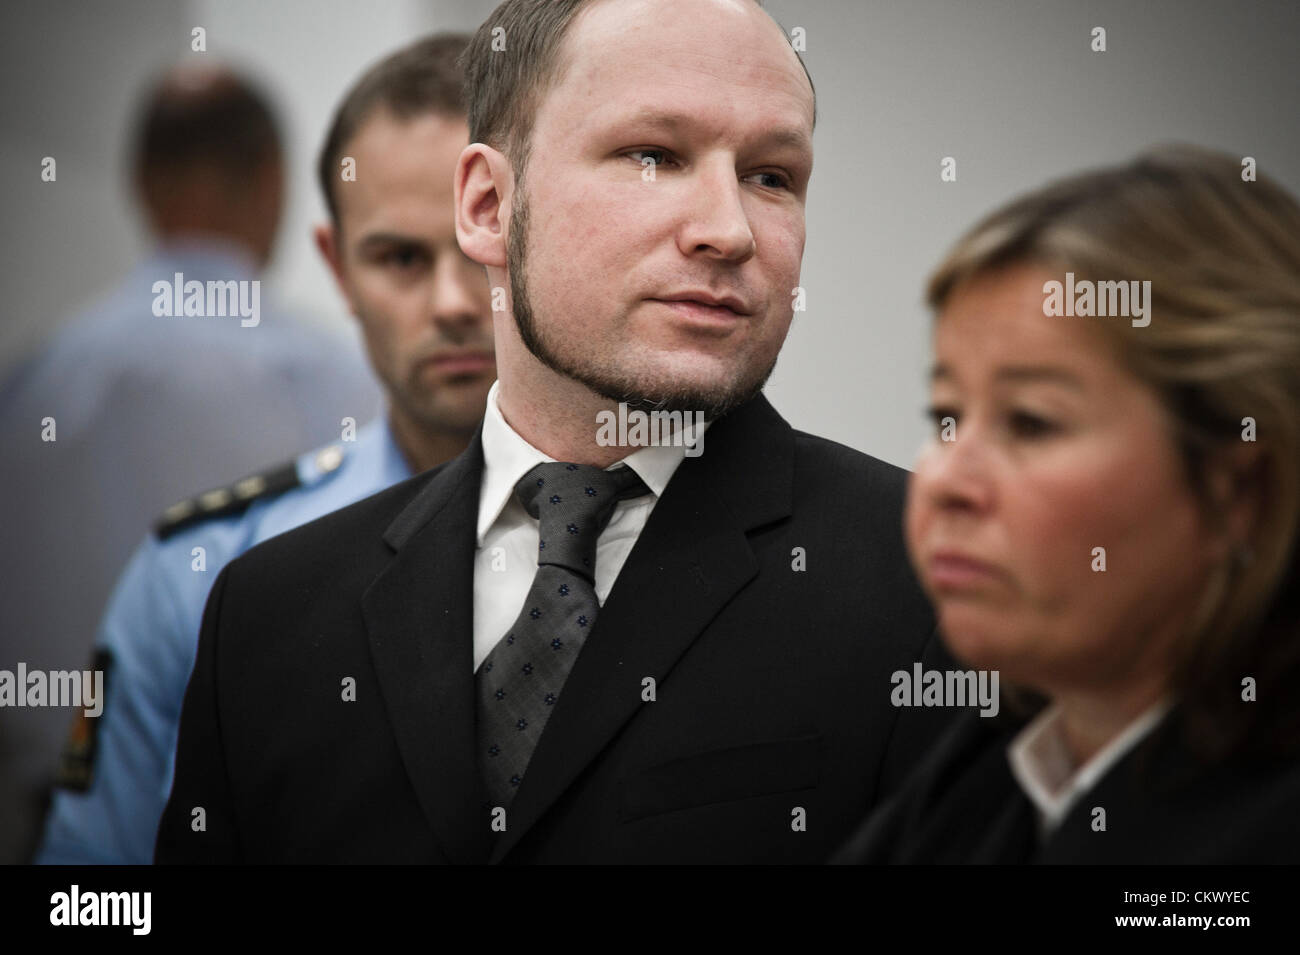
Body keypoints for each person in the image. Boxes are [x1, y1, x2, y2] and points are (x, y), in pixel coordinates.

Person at [155, 0, 957, 866]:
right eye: (653, 156)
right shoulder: (267, 617)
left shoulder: (935, 584)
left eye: (771, 176)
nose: (729, 230)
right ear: (490, 205)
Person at [34, 34, 495, 864]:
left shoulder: (664, 540)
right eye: (399, 256)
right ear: (338, 267)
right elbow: (96, 887)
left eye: (485, 247)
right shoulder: (201, 573)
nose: (453, 303)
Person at [834, 145, 1300, 864]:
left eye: (1031, 422)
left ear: (1239, 490)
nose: (944, 482)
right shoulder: (999, 753)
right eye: (946, 418)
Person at [0, 63, 383, 863]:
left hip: (60, 825)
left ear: (140, 181)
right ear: (276, 182)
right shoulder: (338, 380)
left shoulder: (37, 377)